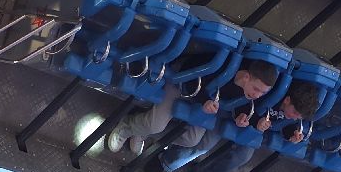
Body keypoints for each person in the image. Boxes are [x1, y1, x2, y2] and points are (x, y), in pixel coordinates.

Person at [151, 80, 323, 172]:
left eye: (298, 117)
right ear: (287, 100)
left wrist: (292, 134)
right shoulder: (271, 92)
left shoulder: (290, 115)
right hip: (232, 111)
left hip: (250, 124)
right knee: (205, 143)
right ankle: (164, 162)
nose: (295, 118)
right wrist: (251, 119)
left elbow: (283, 124)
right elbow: (245, 99)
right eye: (295, 113)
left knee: (244, 155)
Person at [106, 61, 279, 156]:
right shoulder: (226, 65)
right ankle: (127, 126)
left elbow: (245, 107)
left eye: (262, 93)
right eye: (256, 89)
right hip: (182, 86)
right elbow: (189, 73)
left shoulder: (248, 92)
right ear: (247, 77)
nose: (257, 95)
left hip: (202, 103)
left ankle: (142, 131)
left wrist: (249, 120)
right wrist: (204, 100)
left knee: (191, 140)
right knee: (155, 125)